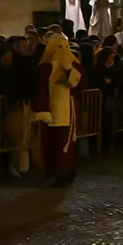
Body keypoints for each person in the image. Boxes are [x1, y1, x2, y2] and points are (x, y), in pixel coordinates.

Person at [34, 30, 80, 186]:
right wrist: (42, 109)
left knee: (66, 142)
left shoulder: (72, 63)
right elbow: (39, 88)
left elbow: (81, 82)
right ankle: (52, 170)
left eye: (65, 46)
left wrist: (69, 70)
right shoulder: (44, 67)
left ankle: (65, 171)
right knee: (51, 142)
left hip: (67, 110)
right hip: (51, 110)